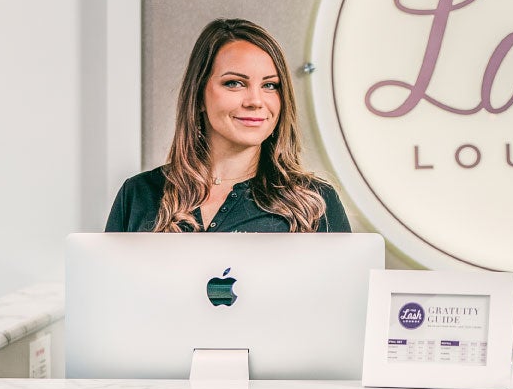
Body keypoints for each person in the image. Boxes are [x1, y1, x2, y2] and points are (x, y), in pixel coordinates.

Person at [106, 18, 350, 232]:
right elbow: (107, 284)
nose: (256, 101)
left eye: (270, 85)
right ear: (199, 95)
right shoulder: (139, 195)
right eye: (235, 83)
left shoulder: (315, 202)